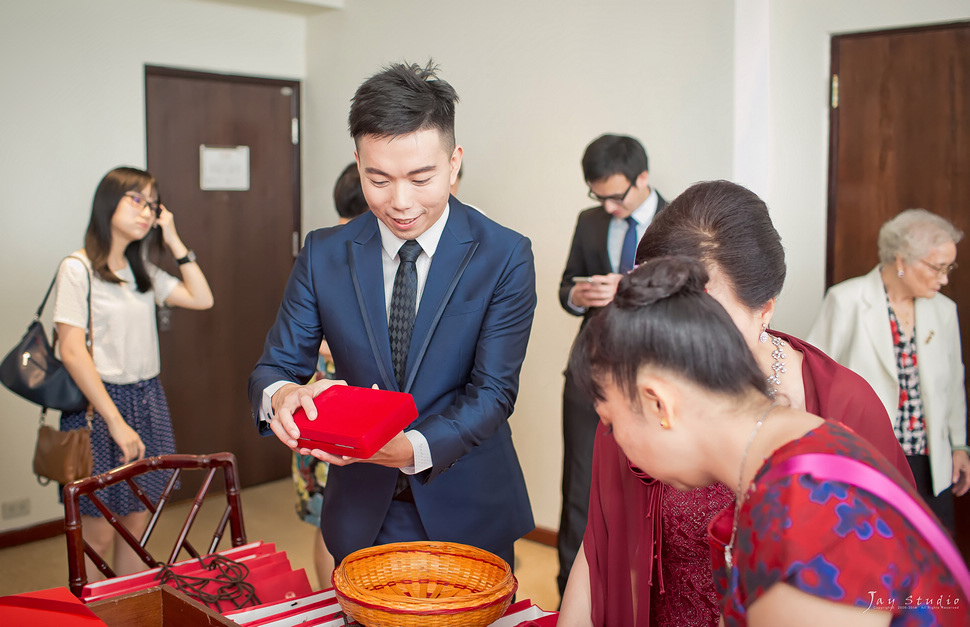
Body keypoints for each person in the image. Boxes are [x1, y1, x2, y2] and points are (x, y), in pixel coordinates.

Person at [560, 180, 914, 626]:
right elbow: (601, 544)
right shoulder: (640, 388)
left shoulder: (820, 476)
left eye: (701, 317)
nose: (672, 341)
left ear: (764, 309)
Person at [248, 61, 537, 568]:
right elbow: (274, 368)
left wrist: (412, 449)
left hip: (468, 502)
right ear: (358, 162)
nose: (400, 203)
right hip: (361, 508)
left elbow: (493, 392)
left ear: (454, 163)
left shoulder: (504, 255)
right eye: (378, 179)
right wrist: (282, 396)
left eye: (421, 178)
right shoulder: (323, 253)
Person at [54, 166, 213, 576]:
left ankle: (127, 606)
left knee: (137, 530)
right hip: (99, 408)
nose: (147, 212)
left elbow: (202, 297)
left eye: (153, 205)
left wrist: (173, 239)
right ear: (108, 202)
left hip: (148, 401)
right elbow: (71, 350)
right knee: (97, 537)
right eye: (137, 200)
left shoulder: (140, 270)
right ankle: (89, 608)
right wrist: (116, 422)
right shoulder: (77, 268)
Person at [808, 208, 970, 532]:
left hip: (929, 463)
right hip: (868, 455)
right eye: (937, 268)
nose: (944, 279)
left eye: (948, 268)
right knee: (874, 549)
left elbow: (953, 383)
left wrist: (959, 445)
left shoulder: (944, 310)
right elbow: (813, 374)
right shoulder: (847, 300)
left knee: (931, 551)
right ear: (902, 260)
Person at [555, 134, 667, 596]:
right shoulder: (590, 221)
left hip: (654, 378)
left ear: (642, 178)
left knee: (652, 491)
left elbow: (692, 298)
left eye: (616, 196)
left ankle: (642, 594)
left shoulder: (678, 222)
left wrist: (628, 288)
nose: (608, 206)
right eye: (598, 196)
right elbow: (566, 286)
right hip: (591, 373)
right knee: (579, 487)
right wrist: (578, 296)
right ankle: (569, 594)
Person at [291, 162, 369, 589]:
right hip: (329, 396)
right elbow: (306, 336)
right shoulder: (330, 250)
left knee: (336, 514)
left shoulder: (330, 245)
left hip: (326, 395)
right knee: (331, 515)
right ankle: (330, 603)